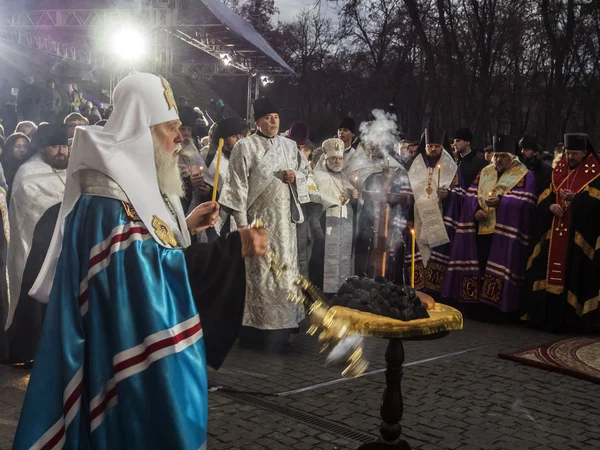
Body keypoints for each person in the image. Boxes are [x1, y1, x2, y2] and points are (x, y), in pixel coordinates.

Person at [12, 73, 268, 449]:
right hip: (122, 355)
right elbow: (140, 275)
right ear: (140, 131)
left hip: (128, 338)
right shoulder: (107, 195)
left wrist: (189, 225)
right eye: (171, 128)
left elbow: (147, 250)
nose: (179, 138)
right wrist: (230, 249)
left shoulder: (133, 184)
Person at [219, 97, 309, 349]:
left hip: (285, 227)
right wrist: (242, 225)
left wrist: (296, 178)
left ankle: (285, 327)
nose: (273, 121)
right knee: (258, 277)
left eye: (276, 117)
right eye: (268, 117)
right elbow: (236, 188)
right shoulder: (245, 148)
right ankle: (254, 331)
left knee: (284, 275)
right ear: (257, 121)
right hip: (257, 223)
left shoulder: (291, 147)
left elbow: (307, 176)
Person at [444, 134, 536, 313]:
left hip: (504, 232)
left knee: (499, 267)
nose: (499, 160)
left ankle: (495, 309)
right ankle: (476, 304)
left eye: (503, 156)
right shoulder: (486, 171)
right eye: (496, 156)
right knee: (480, 265)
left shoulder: (524, 174)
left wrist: (502, 202)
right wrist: (475, 210)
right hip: (482, 230)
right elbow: (472, 193)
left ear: (512, 156)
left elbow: (527, 201)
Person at [3, 124, 69, 366]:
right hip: (35, 250)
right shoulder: (28, 171)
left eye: (64, 146)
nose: (61, 151)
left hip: (63, 247)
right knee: (33, 301)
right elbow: (29, 202)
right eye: (56, 147)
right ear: (42, 148)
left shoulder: (70, 170)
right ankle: (28, 351)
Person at [525, 133, 600, 331]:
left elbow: (596, 206)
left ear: (584, 153)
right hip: (554, 232)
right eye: (568, 153)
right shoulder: (558, 170)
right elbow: (544, 197)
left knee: (574, 275)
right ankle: (545, 317)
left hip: (577, 238)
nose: (571, 157)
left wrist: (576, 200)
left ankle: (569, 321)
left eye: (575, 153)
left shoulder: (595, 174)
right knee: (543, 269)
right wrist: (551, 207)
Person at [407, 127, 464, 294]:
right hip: (418, 217)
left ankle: (436, 292)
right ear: (425, 147)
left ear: (442, 147)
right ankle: (416, 289)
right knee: (419, 251)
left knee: (436, 253)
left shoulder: (452, 167)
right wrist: (409, 216)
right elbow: (409, 193)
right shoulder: (416, 166)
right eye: (429, 146)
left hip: (441, 217)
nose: (432, 149)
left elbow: (461, 193)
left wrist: (449, 194)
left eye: (436, 146)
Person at [309, 138, 357, 294]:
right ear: (326, 158)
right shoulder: (318, 175)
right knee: (322, 265)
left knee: (343, 262)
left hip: (344, 226)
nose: (337, 161)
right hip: (324, 227)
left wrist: (355, 195)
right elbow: (315, 200)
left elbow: (350, 197)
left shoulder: (344, 176)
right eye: (334, 158)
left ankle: (340, 293)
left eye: (340, 158)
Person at [203, 117, 250, 241]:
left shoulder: (241, 157)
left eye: (242, 136)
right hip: (218, 220)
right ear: (222, 139)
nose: (240, 140)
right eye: (235, 136)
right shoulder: (214, 162)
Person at [177, 106, 210, 215]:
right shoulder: (168, 152)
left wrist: (206, 189)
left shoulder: (192, 149)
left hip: (195, 208)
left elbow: (207, 178)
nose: (186, 133)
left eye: (189, 129)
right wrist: (188, 182)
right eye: (182, 129)